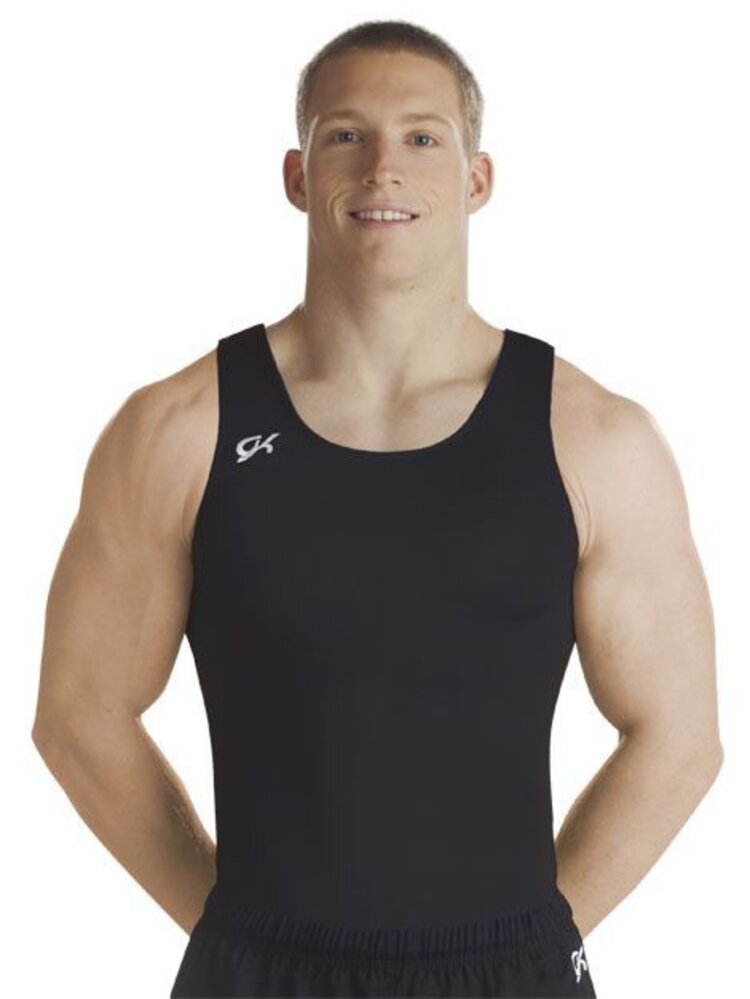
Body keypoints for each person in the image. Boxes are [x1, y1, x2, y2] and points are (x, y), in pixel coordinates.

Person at [31, 18, 723, 999]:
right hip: (257, 965)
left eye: (423, 136)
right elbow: (78, 711)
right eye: (346, 135)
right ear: (297, 174)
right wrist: (237, 932)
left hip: (508, 969)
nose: (383, 167)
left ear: (477, 179)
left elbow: (679, 734)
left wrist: (532, 938)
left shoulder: (598, 440)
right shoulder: (177, 430)